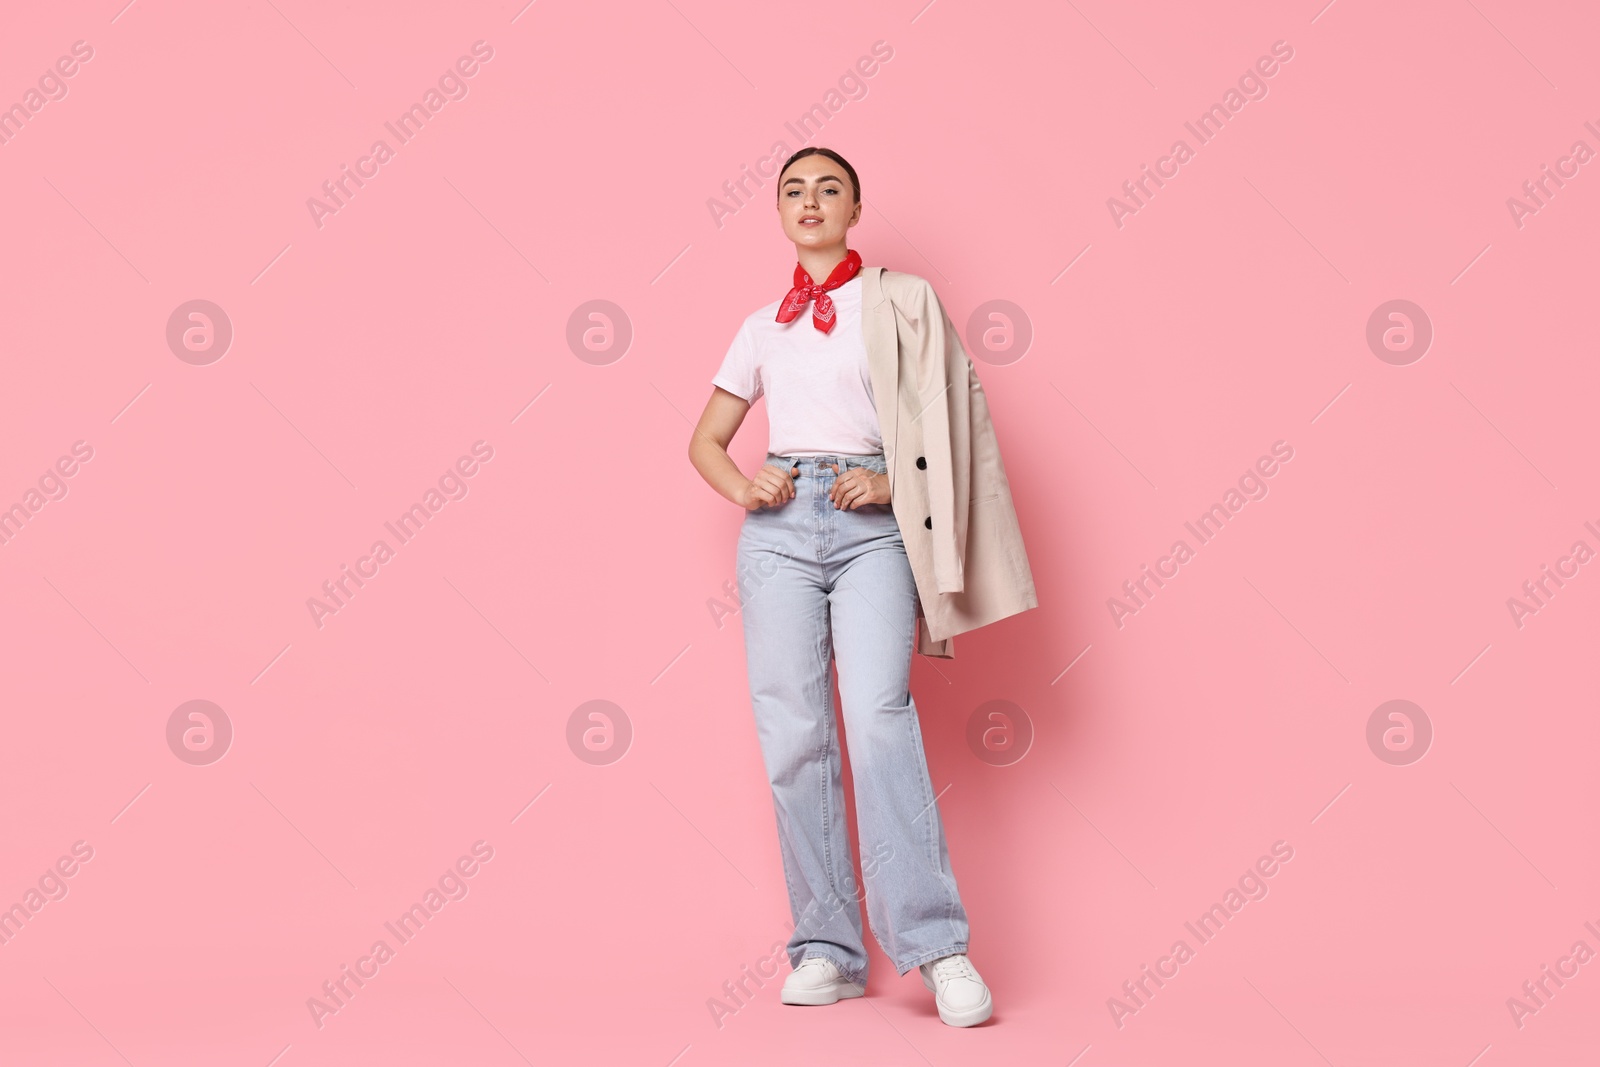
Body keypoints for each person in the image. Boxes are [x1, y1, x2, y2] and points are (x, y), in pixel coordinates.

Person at [688, 147, 993, 1028]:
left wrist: (896, 482)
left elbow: (954, 418)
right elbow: (706, 440)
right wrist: (748, 488)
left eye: (829, 188)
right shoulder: (761, 326)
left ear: (856, 206)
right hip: (779, 531)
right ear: (779, 213)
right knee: (793, 733)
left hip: (874, 527)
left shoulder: (898, 302)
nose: (810, 200)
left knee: (875, 715)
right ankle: (825, 945)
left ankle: (937, 947)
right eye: (793, 190)